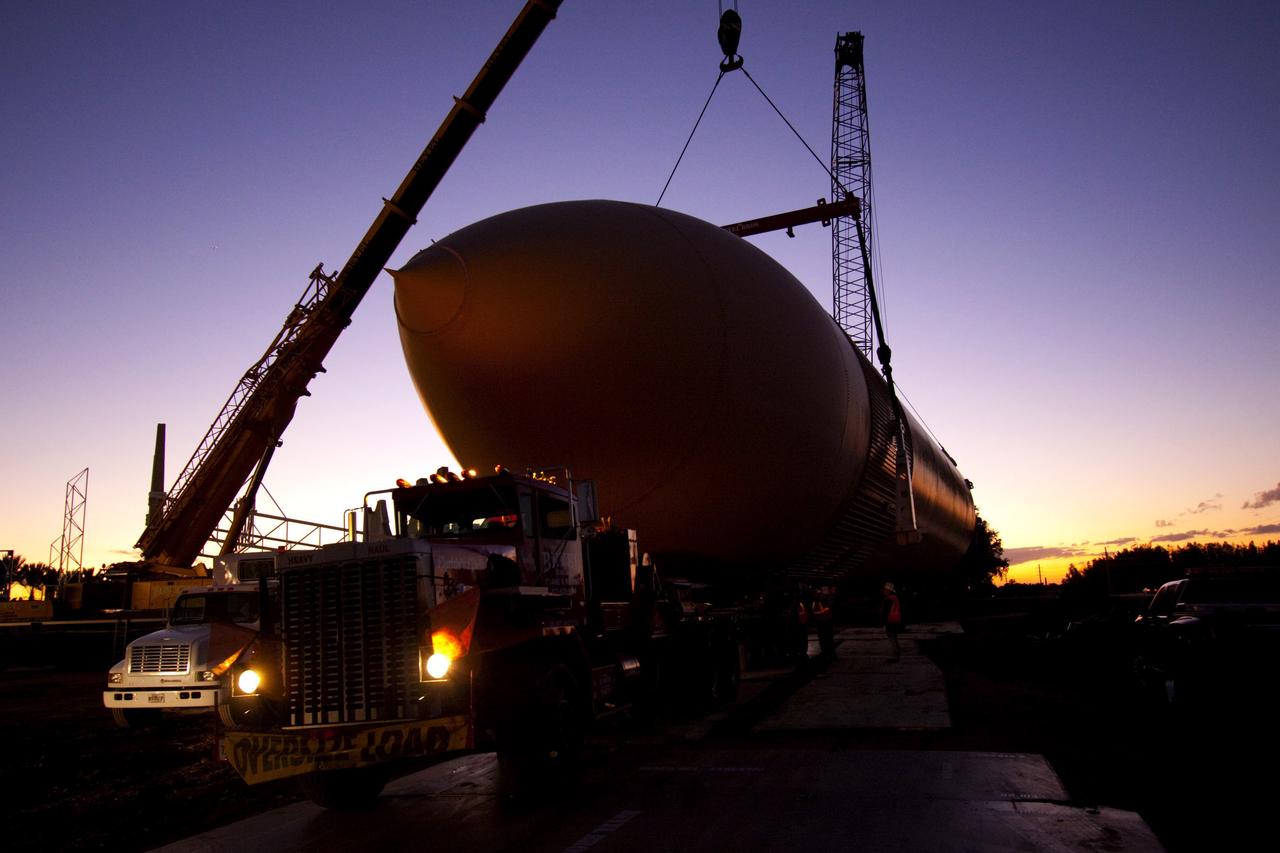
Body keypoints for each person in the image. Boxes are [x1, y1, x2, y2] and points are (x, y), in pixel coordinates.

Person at [880, 582, 902, 662]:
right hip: (896, 620)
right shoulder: (895, 598)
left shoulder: (888, 599)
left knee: (892, 638)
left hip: (890, 621)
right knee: (894, 638)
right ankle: (897, 654)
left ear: (888, 591)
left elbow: (884, 612)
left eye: (885, 590)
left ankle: (895, 655)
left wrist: (883, 623)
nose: (884, 591)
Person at [812, 586, 835, 658]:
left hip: (824, 620)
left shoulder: (822, 597)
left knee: (826, 637)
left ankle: (828, 652)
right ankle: (828, 653)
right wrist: (830, 595)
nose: (827, 590)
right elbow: (829, 604)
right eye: (825, 589)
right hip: (823, 620)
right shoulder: (821, 597)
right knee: (826, 637)